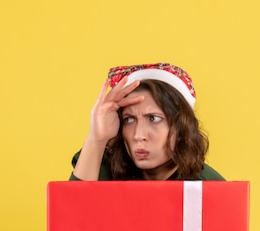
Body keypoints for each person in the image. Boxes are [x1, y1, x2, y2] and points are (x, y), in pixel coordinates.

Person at [70, 63, 225, 181]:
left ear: (181, 125)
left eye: (153, 118)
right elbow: (70, 218)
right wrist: (96, 139)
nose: (138, 135)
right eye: (129, 119)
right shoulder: (102, 167)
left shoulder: (209, 187)